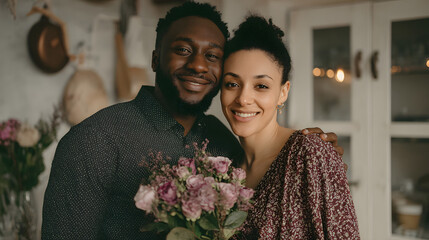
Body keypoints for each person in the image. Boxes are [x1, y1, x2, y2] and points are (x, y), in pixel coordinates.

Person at [42, 2, 343, 239]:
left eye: (213, 56)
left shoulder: (225, 145)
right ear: (156, 57)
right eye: (183, 50)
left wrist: (310, 153)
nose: (198, 64)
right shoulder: (94, 140)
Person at [221, 16, 360, 239]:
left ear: (283, 92)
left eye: (261, 86)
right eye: (232, 84)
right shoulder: (224, 168)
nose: (244, 98)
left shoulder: (310, 153)